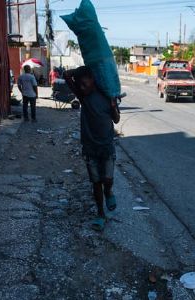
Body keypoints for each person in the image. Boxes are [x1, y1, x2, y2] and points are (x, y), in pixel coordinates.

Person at [63, 66, 120, 231]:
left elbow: (116, 120)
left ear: (93, 80)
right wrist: (84, 69)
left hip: (107, 146)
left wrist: (113, 105)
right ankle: (100, 214)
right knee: (96, 182)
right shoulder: (83, 97)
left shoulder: (106, 95)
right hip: (90, 148)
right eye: (79, 85)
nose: (81, 88)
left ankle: (108, 192)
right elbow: (67, 76)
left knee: (107, 180)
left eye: (84, 84)